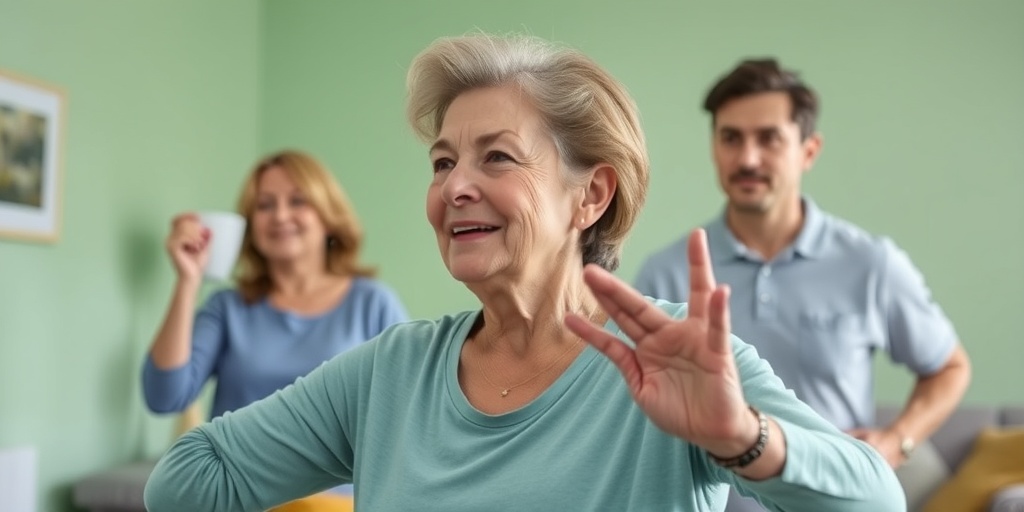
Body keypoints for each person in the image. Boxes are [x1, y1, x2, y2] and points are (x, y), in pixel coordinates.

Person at [143, 34, 904, 512]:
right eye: (442, 162)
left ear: (591, 194)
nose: (454, 186)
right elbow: (186, 479)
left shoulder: (676, 360)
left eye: (496, 157)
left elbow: (876, 499)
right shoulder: (392, 373)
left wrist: (742, 438)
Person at [634, 59, 971, 510]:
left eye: (768, 138)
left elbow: (949, 367)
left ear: (808, 151)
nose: (747, 158)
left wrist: (897, 441)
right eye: (731, 138)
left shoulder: (870, 263)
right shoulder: (668, 273)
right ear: (714, 147)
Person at [141, 149, 409, 507]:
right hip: (238, 498)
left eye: (298, 201)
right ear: (250, 225)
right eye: (265, 205)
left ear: (328, 217)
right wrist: (189, 280)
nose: (280, 216)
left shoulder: (373, 303)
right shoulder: (228, 308)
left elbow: (408, 415)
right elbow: (164, 396)